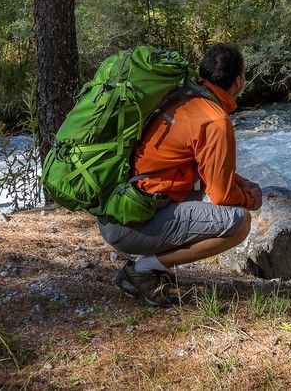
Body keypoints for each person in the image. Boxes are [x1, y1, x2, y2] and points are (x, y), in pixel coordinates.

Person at [98, 43, 264, 308]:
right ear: (238, 81)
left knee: (197, 184)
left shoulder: (179, 96)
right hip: (129, 226)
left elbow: (208, 168)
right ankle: (141, 270)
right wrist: (251, 198)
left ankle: (149, 266)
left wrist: (241, 182)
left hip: (117, 210)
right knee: (239, 222)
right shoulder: (215, 120)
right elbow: (221, 195)